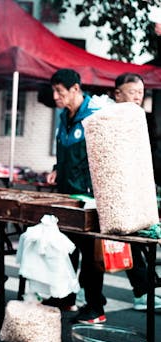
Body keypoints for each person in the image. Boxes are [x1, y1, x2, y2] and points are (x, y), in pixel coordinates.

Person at [45, 68, 106, 324]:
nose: (56, 96)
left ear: (75, 89)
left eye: (60, 91)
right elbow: (64, 149)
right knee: (65, 249)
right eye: (54, 91)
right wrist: (57, 170)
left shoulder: (96, 116)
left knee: (90, 255)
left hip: (89, 198)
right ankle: (66, 298)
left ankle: (95, 307)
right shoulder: (63, 116)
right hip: (65, 195)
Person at [113, 72, 161, 311]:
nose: (137, 98)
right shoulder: (106, 119)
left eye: (140, 93)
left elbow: (151, 154)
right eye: (132, 92)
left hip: (141, 189)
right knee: (126, 242)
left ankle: (145, 289)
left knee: (140, 241)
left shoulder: (146, 119)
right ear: (117, 93)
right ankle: (143, 289)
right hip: (114, 192)